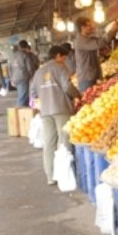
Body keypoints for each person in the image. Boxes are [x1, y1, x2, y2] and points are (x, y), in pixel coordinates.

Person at [31, 46, 81, 185]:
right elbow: (67, 86)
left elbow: (33, 94)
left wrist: (38, 108)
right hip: (62, 109)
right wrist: (77, 95)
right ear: (58, 56)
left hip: (45, 112)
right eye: (64, 58)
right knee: (65, 141)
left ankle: (50, 176)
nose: (64, 61)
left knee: (49, 143)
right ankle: (66, 174)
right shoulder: (60, 68)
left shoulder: (38, 72)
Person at [74, 17, 118, 92]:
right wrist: (112, 30)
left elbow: (100, 40)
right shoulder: (81, 41)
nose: (92, 27)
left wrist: (114, 31)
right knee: (90, 101)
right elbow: (99, 43)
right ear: (82, 27)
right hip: (87, 79)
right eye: (89, 25)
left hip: (91, 76)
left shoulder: (88, 38)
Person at [10, 40, 37, 107]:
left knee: (21, 94)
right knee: (23, 95)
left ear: (19, 46)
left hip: (15, 78)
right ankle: (19, 111)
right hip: (23, 77)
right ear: (26, 46)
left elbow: (10, 68)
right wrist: (32, 76)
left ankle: (24, 109)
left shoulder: (13, 55)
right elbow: (29, 68)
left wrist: (11, 79)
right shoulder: (25, 55)